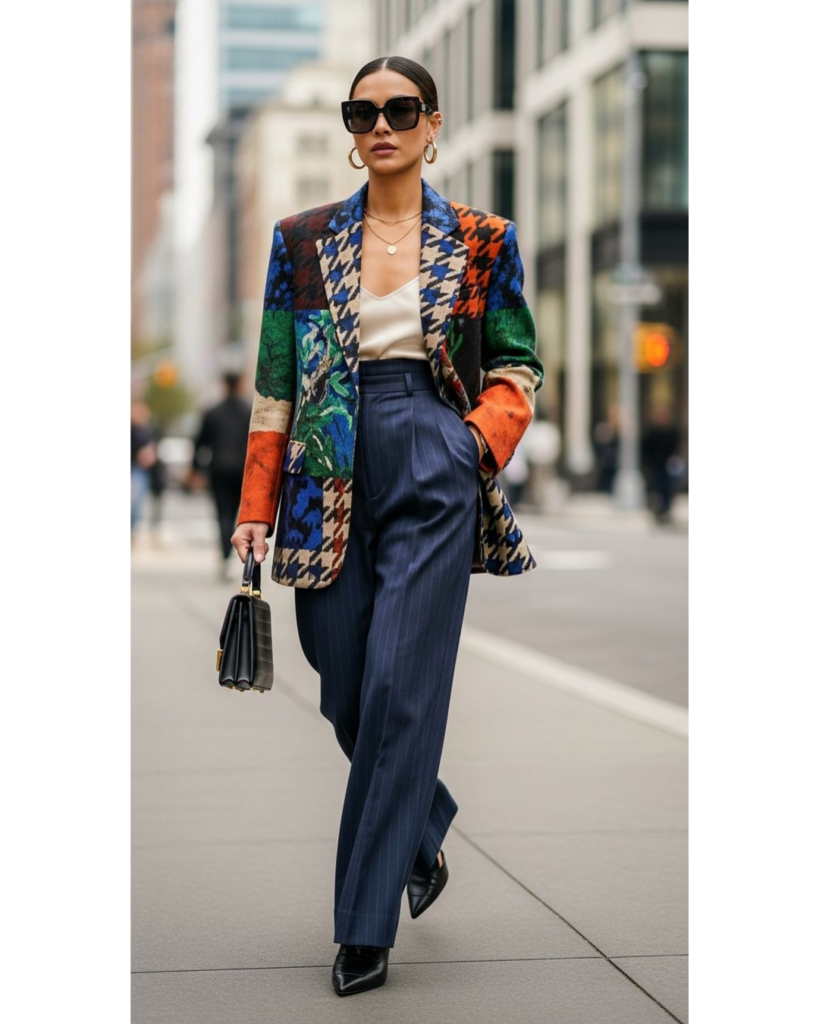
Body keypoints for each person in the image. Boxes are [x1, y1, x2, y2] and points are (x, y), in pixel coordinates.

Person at [231, 56, 544, 997]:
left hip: (432, 452)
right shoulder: (301, 238)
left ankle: (363, 925)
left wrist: (471, 447)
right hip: (323, 467)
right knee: (342, 681)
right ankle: (423, 821)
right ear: (350, 127)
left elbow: (518, 365)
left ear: (432, 123)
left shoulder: (485, 240)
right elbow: (277, 387)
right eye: (362, 111)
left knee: (403, 688)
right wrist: (253, 507)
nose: (381, 125)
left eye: (400, 109)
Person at [189, 372, 252, 578]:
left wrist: (195, 469)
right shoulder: (248, 411)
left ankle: (225, 555)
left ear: (224, 385)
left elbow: (199, 444)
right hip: (242, 471)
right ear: (240, 384)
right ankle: (230, 552)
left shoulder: (212, 412)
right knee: (234, 513)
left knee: (222, 513)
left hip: (218, 470)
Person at [130, 399, 157, 545]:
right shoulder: (134, 429)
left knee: (137, 501)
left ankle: (133, 530)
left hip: (142, 470)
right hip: (134, 467)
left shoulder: (148, 430)